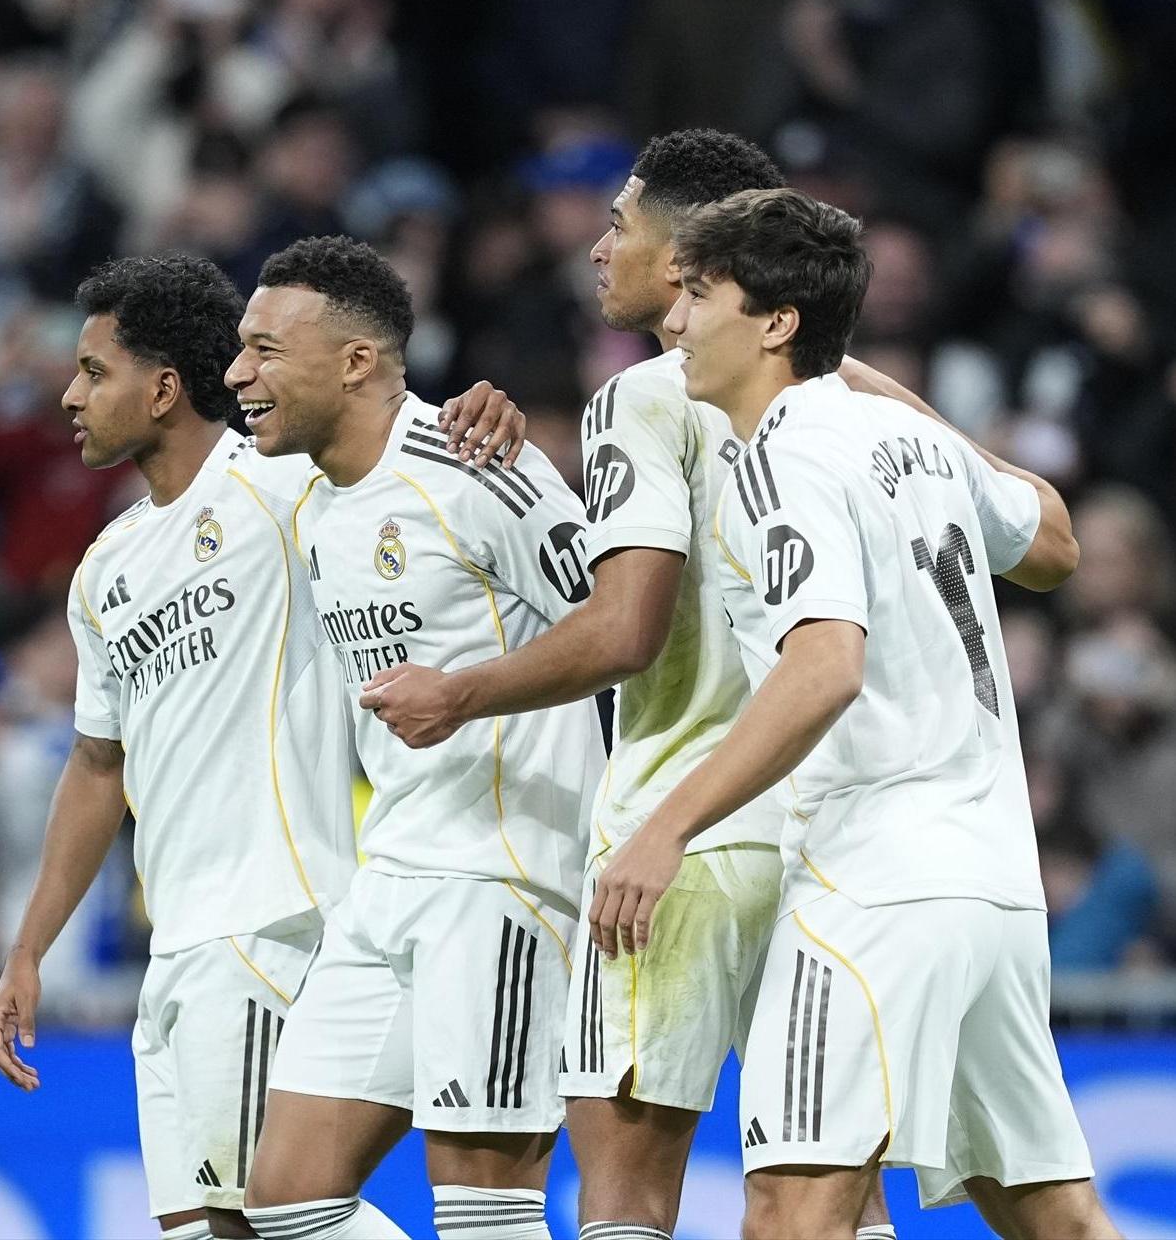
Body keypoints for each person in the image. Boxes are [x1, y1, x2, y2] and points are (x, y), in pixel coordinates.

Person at [362, 128, 894, 1240]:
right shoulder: (856, 398)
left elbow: (624, 629)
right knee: (827, 1193)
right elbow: (1035, 526)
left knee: (625, 1191)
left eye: (620, 224)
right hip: (827, 828)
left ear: (690, 249)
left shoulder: (641, 398)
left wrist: (458, 691)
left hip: (680, 830)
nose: (598, 248)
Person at [592, 188, 1112, 1240]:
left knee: (789, 1207)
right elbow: (1054, 541)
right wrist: (897, 407)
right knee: (1054, 1217)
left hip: (872, 878)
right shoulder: (899, 432)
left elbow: (823, 665)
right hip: (992, 886)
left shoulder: (780, 455)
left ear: (776, 322)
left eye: (698, 293)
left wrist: (665, 824)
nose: (677, 319)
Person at [0, 253, 527, 1240]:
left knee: (274, 1215)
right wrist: (27, 950)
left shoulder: (280, 487)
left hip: (275, 914)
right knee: (205, 1231)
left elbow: (382, 442)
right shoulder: (103, 568)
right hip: (174, 943)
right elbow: (96, 766)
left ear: (161, 386)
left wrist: (477, 408)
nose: (69, 394)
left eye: (93, 371)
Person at [231, 236, 603, 1240]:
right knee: (286, 1198)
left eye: (264, 348)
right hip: (388, 870)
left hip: (504, 873)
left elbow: (621, 624)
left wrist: (467, 694)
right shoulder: (300, 489)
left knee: (484, 1214)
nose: (237, 373)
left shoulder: (479, 463)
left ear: (355, 361)